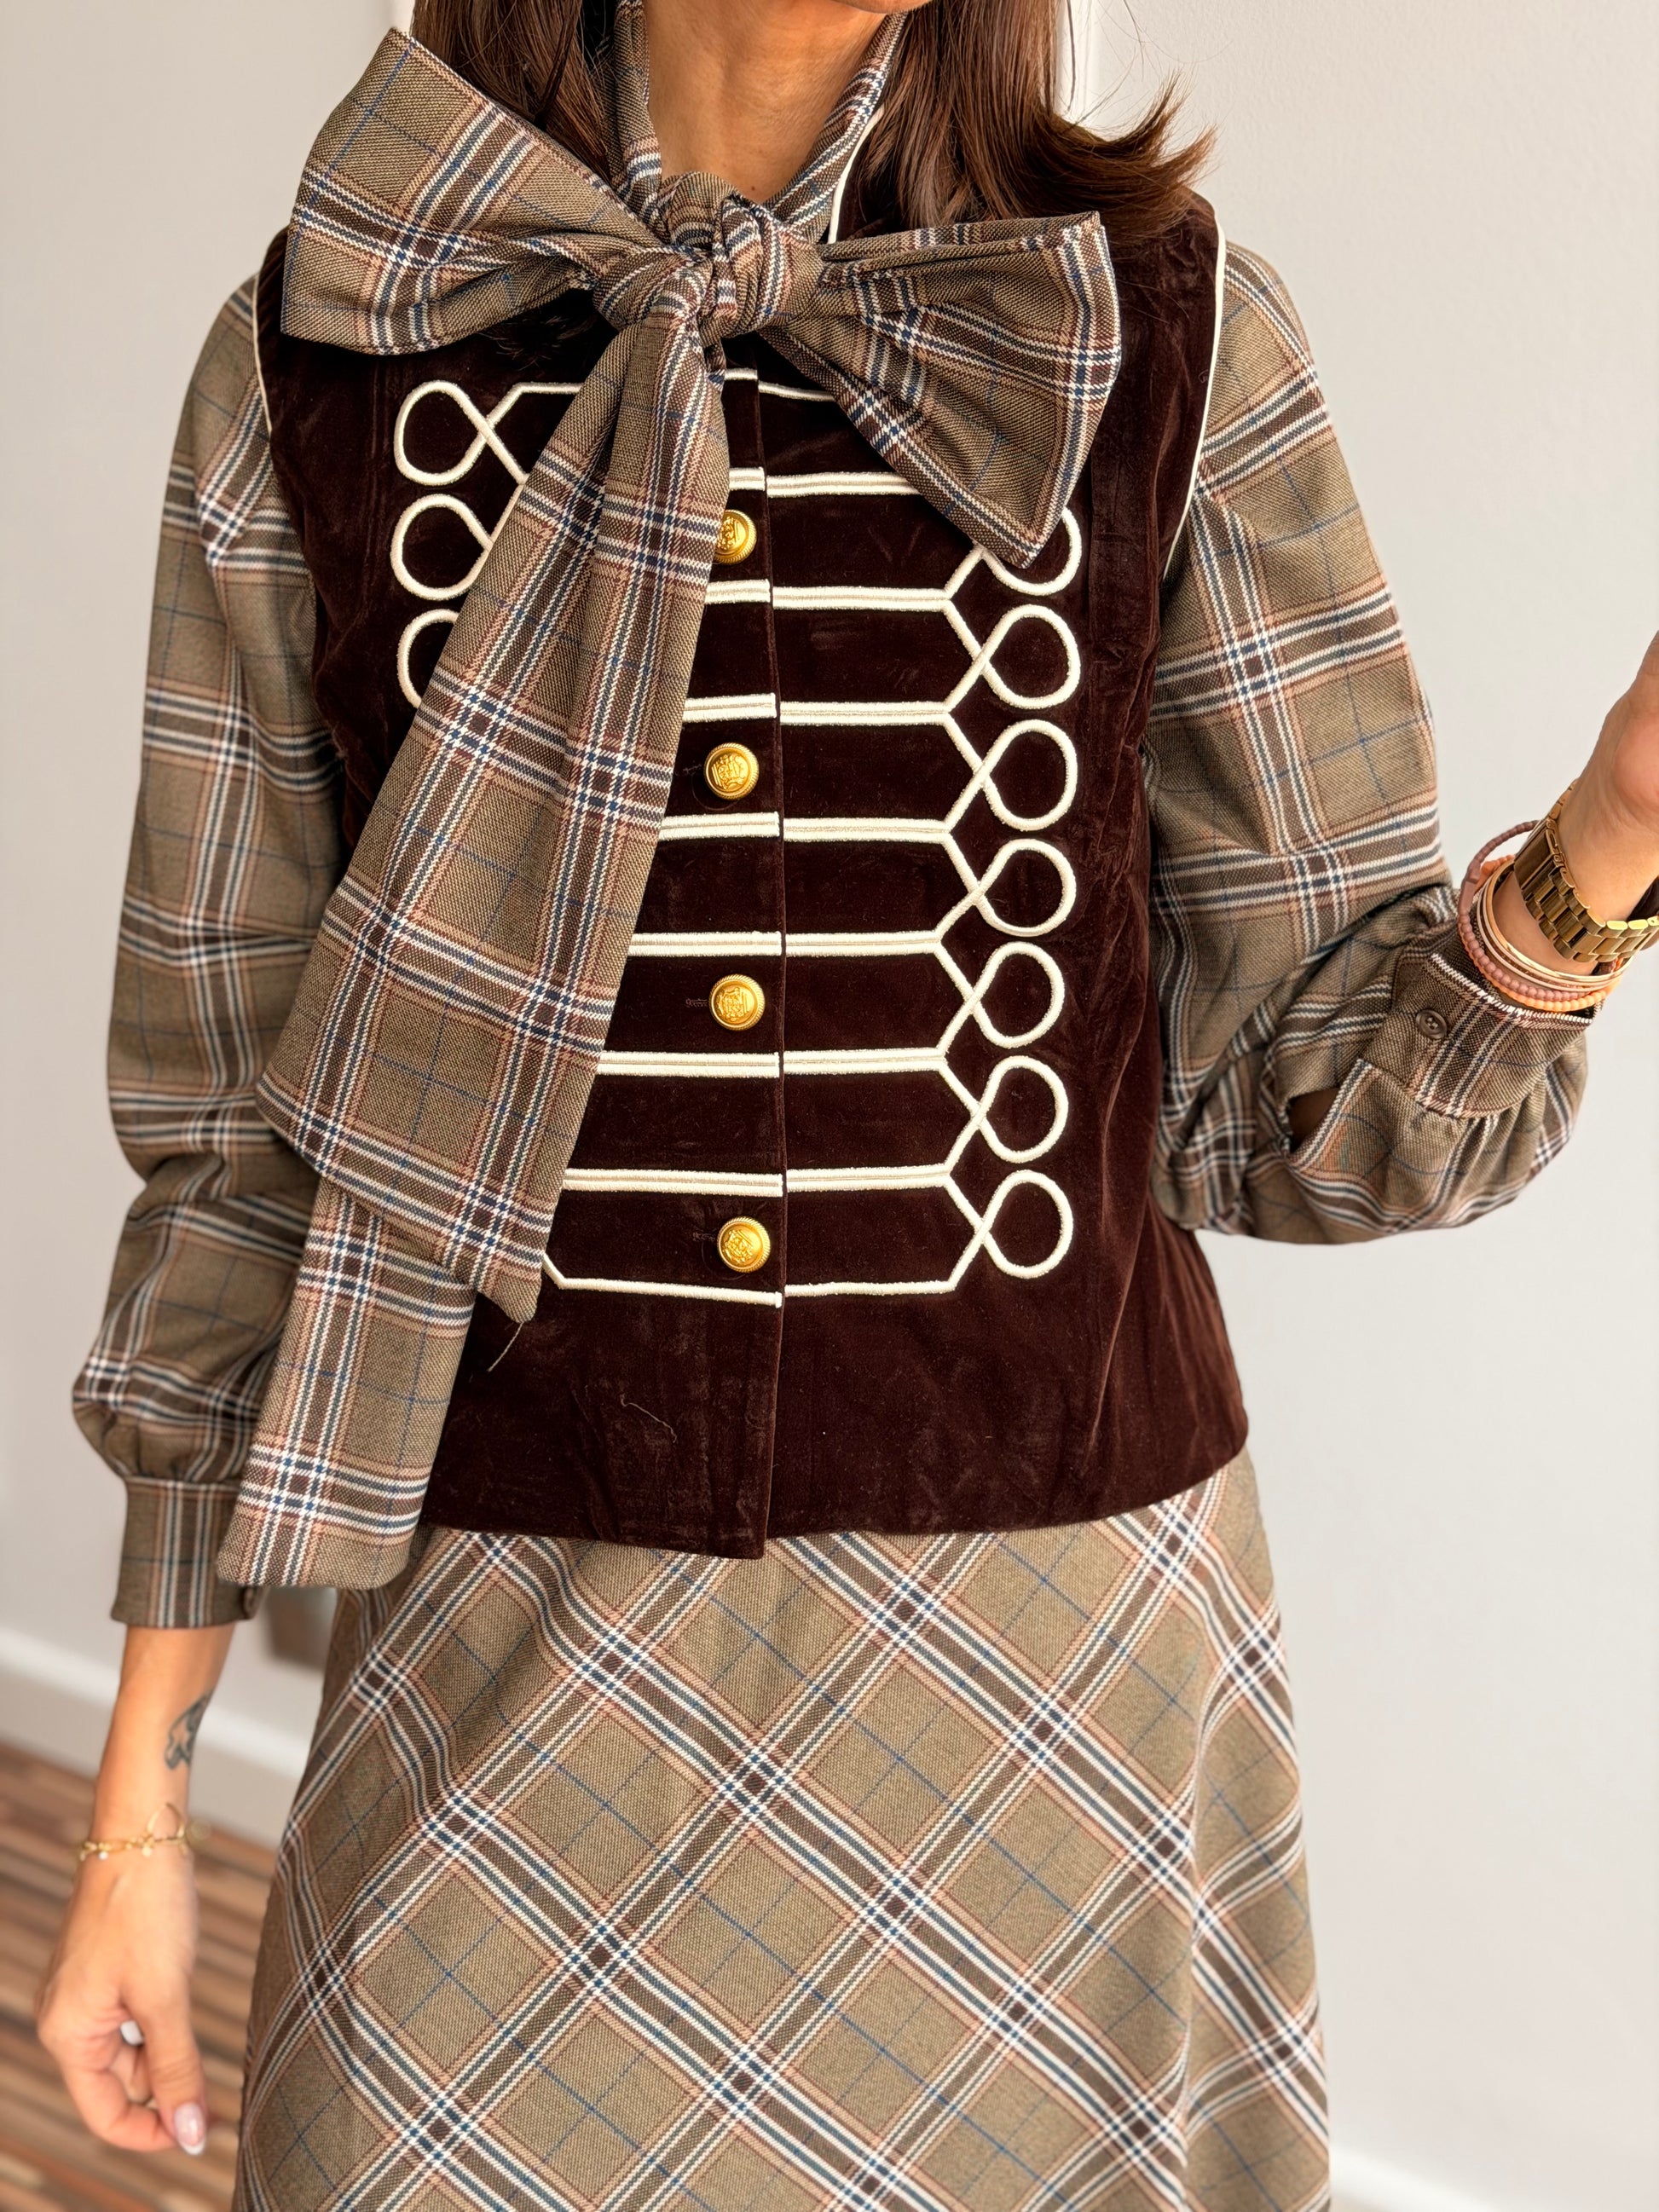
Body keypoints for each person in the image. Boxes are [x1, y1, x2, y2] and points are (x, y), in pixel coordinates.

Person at [34, 1, 1659, 2206]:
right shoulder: (318, 359)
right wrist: (138, 1812)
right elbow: (236, 1155)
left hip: (1061, 1704)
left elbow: (1296, 1117)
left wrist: (1610, 836)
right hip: (505, 1663)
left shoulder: (1173, 341)